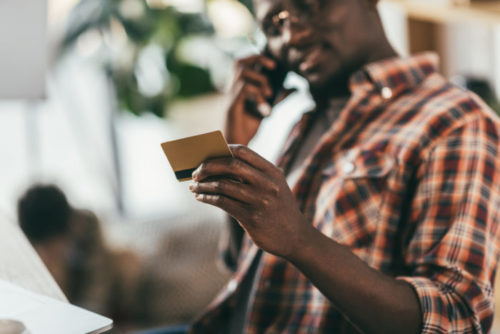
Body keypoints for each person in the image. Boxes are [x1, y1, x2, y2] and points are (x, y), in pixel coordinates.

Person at [184, 0, 500, 333]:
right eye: (274, 24)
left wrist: (301, 240)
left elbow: (457, 318)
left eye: (306, 6)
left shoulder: (457, 123)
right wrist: (236, 147)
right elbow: (242, 262)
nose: (292, 34)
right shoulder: (306, 122)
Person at [17, 184, 144, 330]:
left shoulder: (88, 232)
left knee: (127, 263)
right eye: (41, 246)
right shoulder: (35, 239)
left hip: (108, 295)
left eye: (49, 245)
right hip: (75, 298)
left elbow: (97, 295)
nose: (45, 252)